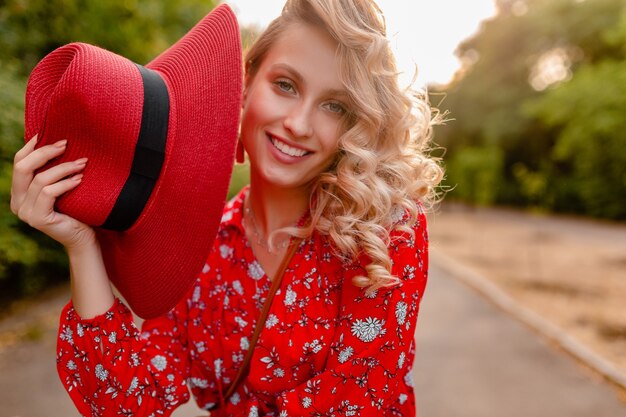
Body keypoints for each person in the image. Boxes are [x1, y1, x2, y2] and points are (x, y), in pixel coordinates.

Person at [10, 0, 443, 415]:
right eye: (286, 85)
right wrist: (81, 245)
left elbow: (357, 402)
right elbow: (127, 403)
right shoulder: (197, 247)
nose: (298, 123)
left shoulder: (383, 233)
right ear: (248, 81)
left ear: (356, 122)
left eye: (334, 105)